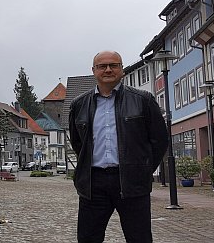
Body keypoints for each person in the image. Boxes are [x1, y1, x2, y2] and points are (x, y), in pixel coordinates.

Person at [69, 51, 168, 243]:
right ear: (93, 71)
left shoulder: (143, 100)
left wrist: (143, 170)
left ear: (121, 69)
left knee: (139, 237)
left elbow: (159, 140)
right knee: (88, 238)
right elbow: (78, 143)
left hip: (132, 182)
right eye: (102, 66)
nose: (108, 70)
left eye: (113, 65)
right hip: (93, 183)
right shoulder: (79, 104)